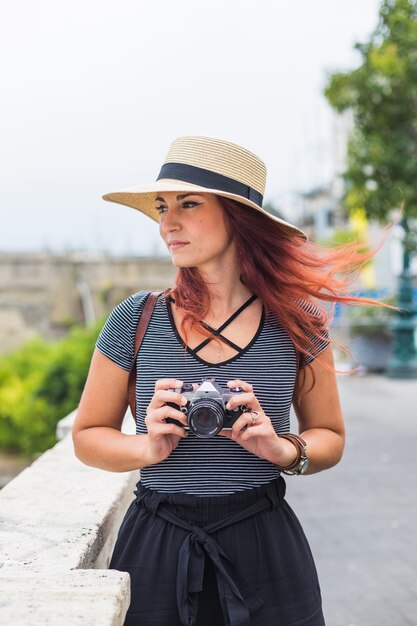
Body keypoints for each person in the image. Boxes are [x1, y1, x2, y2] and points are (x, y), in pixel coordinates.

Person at [72, 135, 376, 626]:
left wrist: (282, 450)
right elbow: (87, 437)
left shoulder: (296, 321)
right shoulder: (136, 318)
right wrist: (147, 449)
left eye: (188, 204)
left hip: (265, 542)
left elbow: (331, 437)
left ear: (240, 217)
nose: (168, 222)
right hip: (157, 542)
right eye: (162, 206)